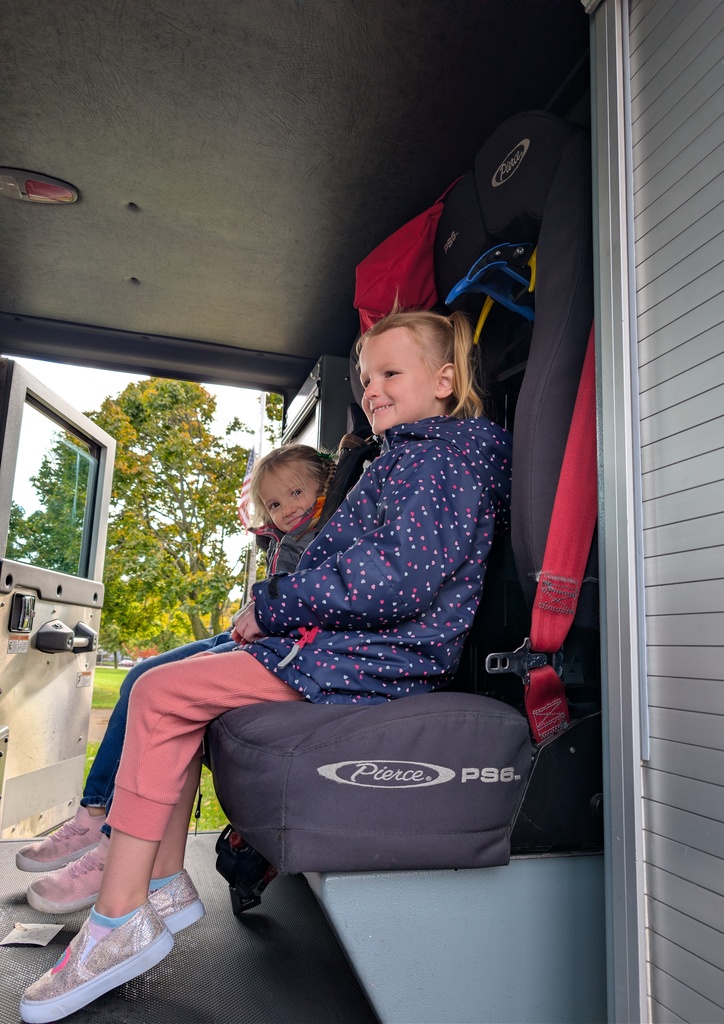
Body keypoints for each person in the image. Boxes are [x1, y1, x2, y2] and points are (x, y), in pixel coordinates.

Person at [19, 308, 513, 1023]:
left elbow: (397, 581)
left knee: (159, 692)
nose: (372, 389)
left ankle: (119, 918)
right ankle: (160, 883)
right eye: (365, 377)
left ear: (444, 381)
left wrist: (276, 605)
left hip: (378, 658)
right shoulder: (409, 456)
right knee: (167, 691)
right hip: (352, 647)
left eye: (390, 373)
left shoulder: (438, 462)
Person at [15, 443, 336, 917]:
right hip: (255, 630)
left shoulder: (330, 532)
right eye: (273, 503)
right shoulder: (285, 540)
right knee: (142, 674)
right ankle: (95, 812)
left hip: (282, 645)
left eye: (296, 493)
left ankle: (114, 850)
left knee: (163, 692)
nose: (286, 508)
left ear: (326, 486)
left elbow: (316, 601)